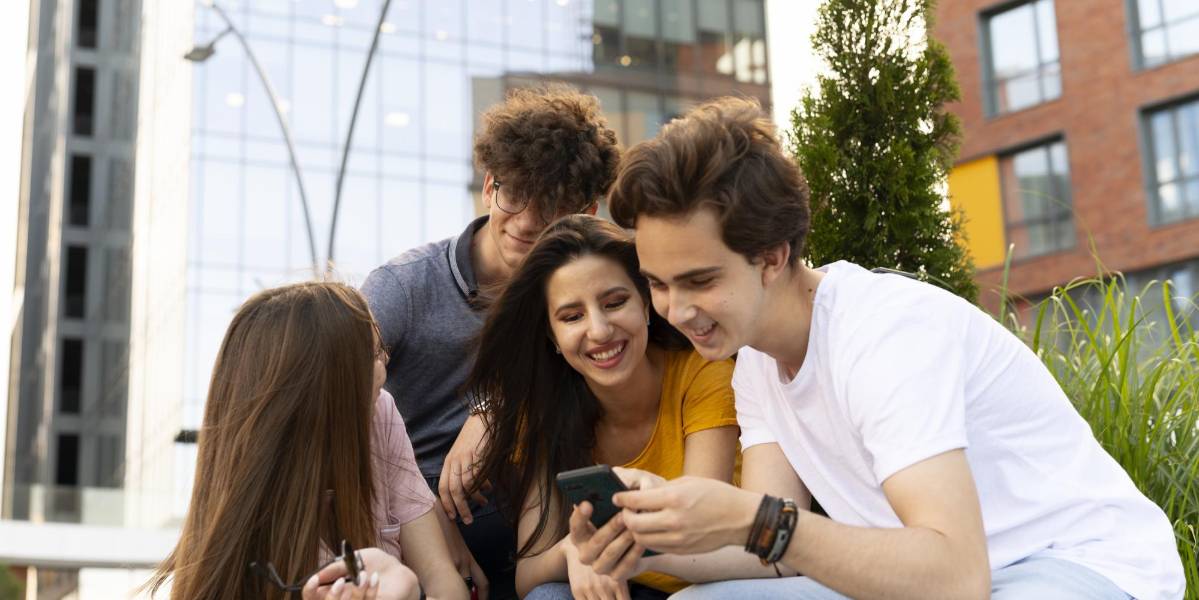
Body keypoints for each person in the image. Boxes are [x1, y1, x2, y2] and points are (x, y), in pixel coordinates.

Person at [567, 97, 1186, 599]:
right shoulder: (754, 358)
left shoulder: (884, 335)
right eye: (658, 284)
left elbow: (955, 579)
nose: (677, 310)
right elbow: (773, 552)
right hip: (927, 578)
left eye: (700, 281)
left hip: (1070, 565)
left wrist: (750, 519)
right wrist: (648, 540)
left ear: (773, 258)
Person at [361, 85, 622, 600]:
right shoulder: (404, 287)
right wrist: (425, 515)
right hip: (403, 527)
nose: (525, 221)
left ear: (586, 211)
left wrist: (493, 408)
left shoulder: (589, 301)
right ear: (488, 184)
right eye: (514, 193)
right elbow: (335, 406)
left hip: (536, 537)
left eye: (550, 206)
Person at [463, 216, 740, 600]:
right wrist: (573, 550)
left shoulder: (703, 374)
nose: (599, 330)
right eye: (572, 316)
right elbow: (530, 573)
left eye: (615, 303)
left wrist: (612, 552)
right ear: (552, 335)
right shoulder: (544, 406)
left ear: (645, 302)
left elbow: (698, 534)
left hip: (710, 583)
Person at [146, 282, 467, 600]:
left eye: (381, 352)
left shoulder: (379, 414)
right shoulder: (257, 542)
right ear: (321, 389)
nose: (384, 368)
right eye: (371, 357)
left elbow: (442, 576)